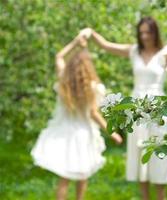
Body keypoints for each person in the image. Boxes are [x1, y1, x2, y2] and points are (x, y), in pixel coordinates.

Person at [81, 16, 167, 200]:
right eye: (141, 32)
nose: (144, 36)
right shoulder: (134, 51)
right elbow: (107, 45)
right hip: (136, 109)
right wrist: (90, 32)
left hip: (158, 110)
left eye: (148, 32)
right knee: (139, 153)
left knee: (159, 152)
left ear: (155, 32)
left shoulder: (166, 52)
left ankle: (161, 197)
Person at [31, 32, 123, 200]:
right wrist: (112, 132)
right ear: (89, 68)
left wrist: (75, 42)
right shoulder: (93, 88)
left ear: (71, 66)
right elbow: (94, 114)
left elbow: (59, 56)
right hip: (83, 134)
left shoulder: (63, 82)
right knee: (82, 176)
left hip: (65, 133)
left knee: (64, 179)